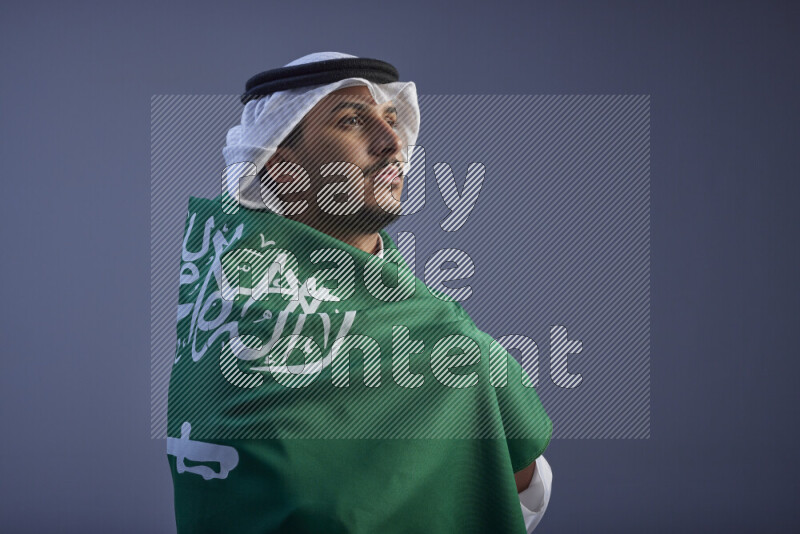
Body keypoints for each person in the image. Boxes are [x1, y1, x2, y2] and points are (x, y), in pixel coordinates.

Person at [167, 51, 553, 533]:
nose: (393, 143)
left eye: (391, 119)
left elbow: (514, 489)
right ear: (280, 165)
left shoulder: (448, 337)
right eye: (350, 121)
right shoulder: (229, 309)